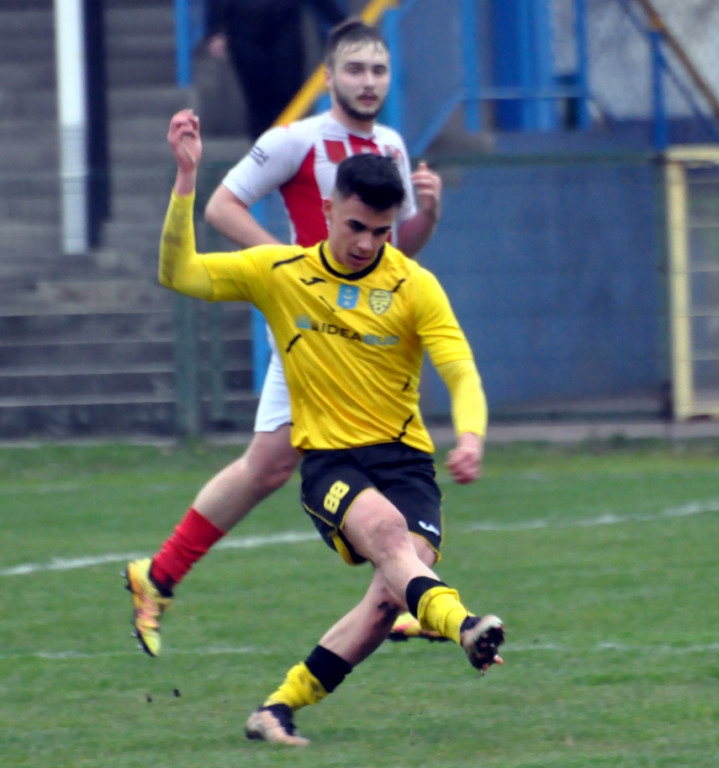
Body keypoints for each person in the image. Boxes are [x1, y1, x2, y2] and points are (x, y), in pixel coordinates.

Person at [159, 107, 505, 746]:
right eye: (355, 226)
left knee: (387, 602)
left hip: (406, 464)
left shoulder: (414, 285)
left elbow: (461, 371)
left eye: (380, 230)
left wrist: (472, 434)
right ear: (327, 204)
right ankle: (463, 625)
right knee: (388, 536)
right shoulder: (281, 273)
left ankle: (276, 709)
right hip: (333, 465)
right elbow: (179, 273)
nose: (367, 243)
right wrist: (186, 183)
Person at [125, 20, 444, 657]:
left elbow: (396, 252)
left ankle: (160, 575)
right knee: (272, 465)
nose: (368, 81)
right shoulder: (296, 141)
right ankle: (159, 574)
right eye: (355, 69)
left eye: (378, 70)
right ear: (328, 77)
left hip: (374, 338)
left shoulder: (392, 149)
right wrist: (289, 272)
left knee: (286, 464)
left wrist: (428, 214)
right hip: (312, 333)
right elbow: (221, 206)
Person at [205, 0, 347, 140]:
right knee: (257, 95)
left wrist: (338, 20)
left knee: (288, 90)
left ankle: (290, 147)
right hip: (243, 23)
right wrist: (215, 30)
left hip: (284, 21)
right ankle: (263, 151)